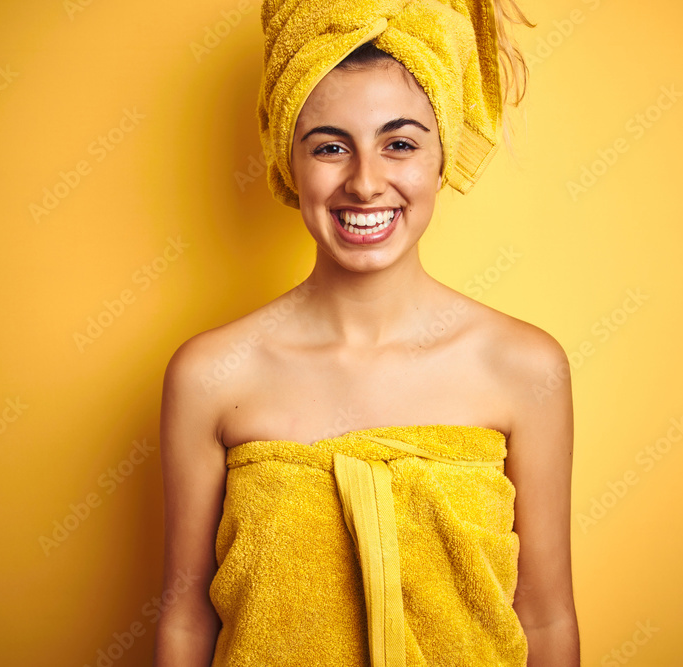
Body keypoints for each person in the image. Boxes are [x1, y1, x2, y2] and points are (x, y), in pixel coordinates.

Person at [155, 1, 578, 664]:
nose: (365, 182)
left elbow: (547, 619)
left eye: (400, 143)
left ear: (441, 153)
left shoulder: (524, 368)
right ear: (287, 159)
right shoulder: (211, 375)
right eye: (330, 146)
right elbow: (185, 620)